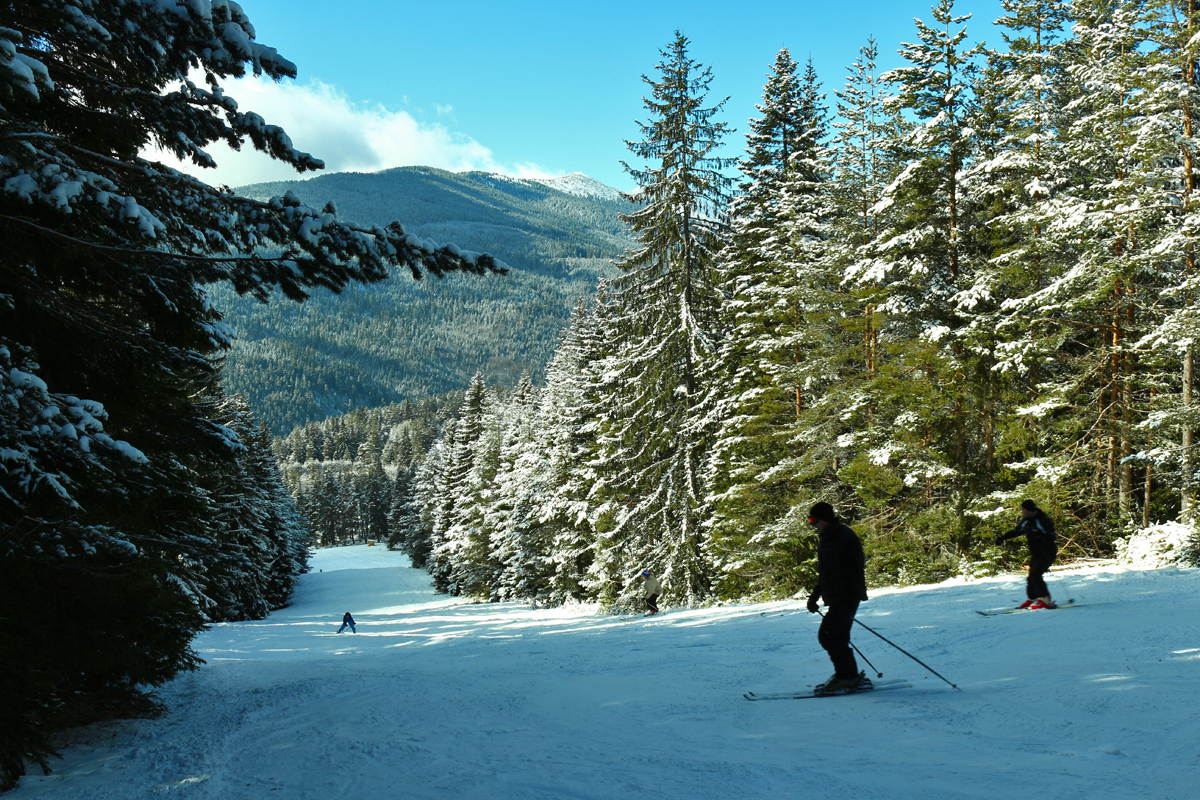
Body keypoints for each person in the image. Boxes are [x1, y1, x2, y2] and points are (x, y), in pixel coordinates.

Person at [806, 502, 868, 693]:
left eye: (814, 520)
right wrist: (814, 596)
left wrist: (845, 596)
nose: (812, 524)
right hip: (837, 597)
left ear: (825, 519)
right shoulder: (828, 538)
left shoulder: (843, 537)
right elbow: (825, 572)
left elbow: (853, 569)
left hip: (847, 596)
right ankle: (846, 675)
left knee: (830, 636)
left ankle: (847, 677)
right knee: (834, 636)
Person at [995, 499, 1058, 609]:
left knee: (1036, 575)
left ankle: (1045, 599)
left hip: (1047, 552)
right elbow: (1016, 531)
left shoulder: (1041, 519)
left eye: (1024, 509)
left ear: (1030, 510)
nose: (1022, 511)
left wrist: (1042, 539)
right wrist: (1002, 538)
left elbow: (1051, 535)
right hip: (1037, 554)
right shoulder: (1027, 521)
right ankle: (1033, 599)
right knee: (1030, 577)